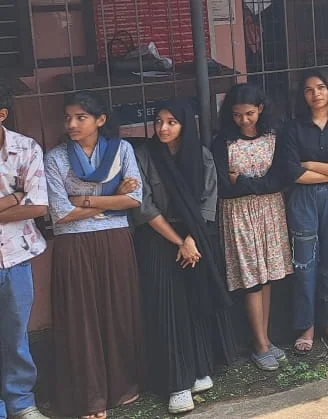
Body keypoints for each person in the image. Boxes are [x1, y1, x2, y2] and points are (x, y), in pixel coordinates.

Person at [44, 92, 144, 419]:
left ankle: (122, 387)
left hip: (115, 240)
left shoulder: (122, 150)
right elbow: (59, 213)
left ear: (100, 120)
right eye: (68, 118)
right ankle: (90, 398)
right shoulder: (56, 158)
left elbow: (134, 200)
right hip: (73, 244)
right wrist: (112, 196)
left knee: (118, 310)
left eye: (80, 118)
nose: (71, 124)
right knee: (80, 318)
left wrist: (84, 201)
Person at [132, 101, 236, 414]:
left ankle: (201, 367)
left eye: (171, 122)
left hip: (196, 235)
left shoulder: (200, 154)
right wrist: (181, 241)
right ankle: (178, 384)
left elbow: (208, 201)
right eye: (159, 121)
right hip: (158, 237)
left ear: (185, 125)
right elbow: (144, 206)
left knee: (196, 300)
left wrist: (192, 239)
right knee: (167, 307)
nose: (163, 128)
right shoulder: (145, 155)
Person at [212, 84, 292, 371]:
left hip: (270, 211)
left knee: (267, 276)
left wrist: (244, 182)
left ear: (260, 109)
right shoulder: (222, 143)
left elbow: (281, 177)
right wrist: (258, 185)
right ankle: (258, 345)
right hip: (239, 215)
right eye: (237, 115)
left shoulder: (274, 136)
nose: (244, 120)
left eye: (249, 113)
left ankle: (266, 338)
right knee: (252, 279)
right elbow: (223, 187)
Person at [279, 69, 328, 354]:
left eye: (321, 87)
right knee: (304, 263)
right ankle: (306, 325)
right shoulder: (292, 129)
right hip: (302, 200)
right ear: (303, 96)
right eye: (309, 90)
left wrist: (311, 164)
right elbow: (292, 173)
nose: (316, 94)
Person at [0, 86, 49, 419]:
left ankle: (20, 403)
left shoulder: (25, 148)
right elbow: (25, 199)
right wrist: (15, 197)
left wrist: (24, 201)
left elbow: (39, 205)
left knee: (16, 335)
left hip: (17, 257)